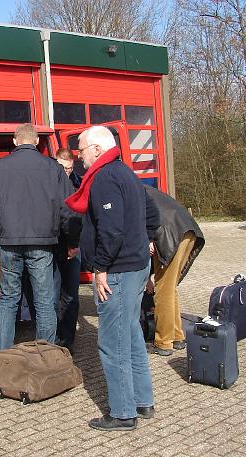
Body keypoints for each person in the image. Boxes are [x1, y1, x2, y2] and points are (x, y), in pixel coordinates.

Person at [67, 126, 154, 431]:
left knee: (112, 343)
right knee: (130, 334)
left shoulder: (104, 178)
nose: (78, 157)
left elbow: (112, 229)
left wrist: (100, 266)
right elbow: (151, 214)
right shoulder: (125, 172)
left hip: (117, 271)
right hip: (136, 265)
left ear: (98, 149)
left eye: (81, 150)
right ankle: (143, 402)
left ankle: (122, 413)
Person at [0, 124, 77, 363]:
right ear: (36, 142)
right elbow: (69, 208)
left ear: (15, 141)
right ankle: (45, 360)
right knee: (44, 301)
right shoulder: (52, 168)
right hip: (42, 244)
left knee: (8, 300)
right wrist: (72, 241)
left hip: (8, 243)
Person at [144, 185, 205, 356]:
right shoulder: (143, 188)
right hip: (187, 229)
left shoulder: (126, 191)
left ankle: (163, 342)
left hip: (169, 234)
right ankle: (177, 336)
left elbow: (142, 221)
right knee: (170, 289)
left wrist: (148, 238)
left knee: (163, 290)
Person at [53, 147, 82, 353]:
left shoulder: (77, 182)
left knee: (71, 296)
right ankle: (53, 340)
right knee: (52, 296)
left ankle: (68, 341)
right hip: (54, 247)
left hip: (72, 248)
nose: (67, 172)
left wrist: (76, 244)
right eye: (63, 168)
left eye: (70, 168)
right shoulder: (48, 182)